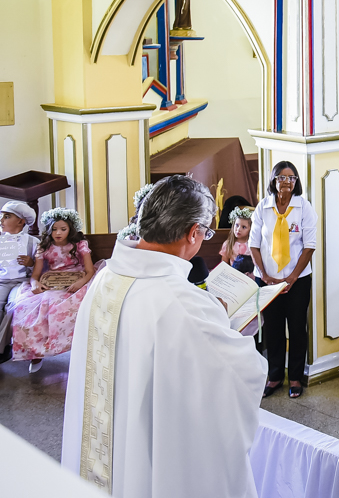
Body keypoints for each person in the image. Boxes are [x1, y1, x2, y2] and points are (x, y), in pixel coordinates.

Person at [61, 175, 266, 498]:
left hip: (109, 451)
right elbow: (243, 374)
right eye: (206, 233)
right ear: (192, 233)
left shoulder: (106, 279)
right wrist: (222, 325)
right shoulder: (181, 303)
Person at [249, 160, 318, 399]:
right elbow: (254, 245)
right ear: (273, 180)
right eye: (281, 177)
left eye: (291, 178)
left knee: (297, 328)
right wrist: (265, 276)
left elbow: (309, 247)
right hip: (267, 280)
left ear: (296, 182)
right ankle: (275, 375)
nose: (286, 182)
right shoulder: (263, 207)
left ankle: (296, 376)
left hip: (297, 280)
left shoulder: (303, 208)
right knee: (274, 328)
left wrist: (292, 277)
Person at [9, 208, 95, 371]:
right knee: (28, 306)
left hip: (77, 280)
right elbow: (35, 275)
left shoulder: (79, 244)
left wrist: (80, 283)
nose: (58, 232)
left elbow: (90, 271)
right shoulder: (44, 246)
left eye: (63, 229)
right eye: (54, 229)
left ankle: (69, 349)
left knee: (60, 304)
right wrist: (35, 284)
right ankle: (36, 353)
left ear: (70, 229)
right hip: (52, 280)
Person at [0, 201, 39, 361]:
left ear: (21, 221)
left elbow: (42, 267)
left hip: (22, 282)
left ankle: (2, 347)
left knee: (13, 306)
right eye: (1, 216)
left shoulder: (32, 242)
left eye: (7, 216)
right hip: (1, 281)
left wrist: (31, 263)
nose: (1, 220)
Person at [221, 206, 255, 273]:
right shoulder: (228, 244)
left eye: (244, 227)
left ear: (251, 229)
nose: (238, 229)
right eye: (237, 225)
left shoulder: (253, 244)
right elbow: (224, 265)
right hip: (233, 275)